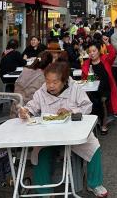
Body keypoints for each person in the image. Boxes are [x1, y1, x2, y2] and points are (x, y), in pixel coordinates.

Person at [18, 62, 108, 197]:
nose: (50, 85)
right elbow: (31, 107)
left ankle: (94, 183)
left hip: (73, 133)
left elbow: (87, 106)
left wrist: (71, 111)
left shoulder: (75, 88)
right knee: (40, 153)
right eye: (48, 82)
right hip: (49, 134)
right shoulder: (41, 92)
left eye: (55, 82)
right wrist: (25, 112)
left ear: (64, 80)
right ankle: (45, 191)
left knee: (93, 146)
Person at [82, 37, 117, 134]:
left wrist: (107, 44)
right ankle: (96, 122)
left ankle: (104, 125)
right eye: (89, 51)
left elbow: (113, 54)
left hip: (106, 88)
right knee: (93, 104)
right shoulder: (86, 63)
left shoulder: (105, 59)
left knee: (103, 103)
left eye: (94, 51)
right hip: (92, 89)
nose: (92, 53)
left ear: (99, 51)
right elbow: (84, 78)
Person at [11, 51, 53, 117]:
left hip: (15, 111)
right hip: (30, 114)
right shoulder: (43, 78)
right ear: (49, 65)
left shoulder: (24, 71)